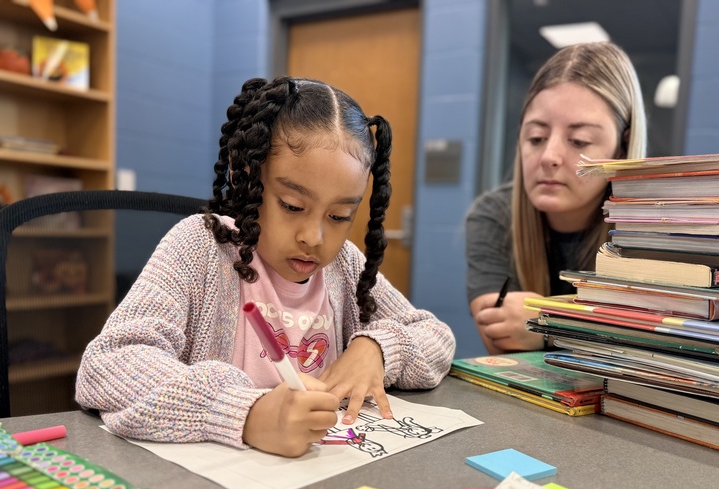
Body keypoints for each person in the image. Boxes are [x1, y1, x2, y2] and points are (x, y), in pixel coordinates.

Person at [76, 76, 455, 458]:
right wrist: (246, 413)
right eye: (292, 206)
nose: (313, 237)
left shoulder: (343, 265)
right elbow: (107, 366)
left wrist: (378, 349)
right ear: (248, 177)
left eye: (339, 215)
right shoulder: (201, 248)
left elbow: (436, 337)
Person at [466, 42, 648, 354]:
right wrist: (598, 324)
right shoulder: (494, 215)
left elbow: (661, 344)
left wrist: (551, 323)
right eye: (536, 138)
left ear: (622, 147)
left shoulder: (658, 228)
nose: (549, 156)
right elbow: (502, 336)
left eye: (579, 141)